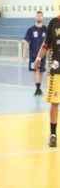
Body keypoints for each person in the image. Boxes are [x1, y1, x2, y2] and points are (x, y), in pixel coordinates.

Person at [33, 14, 60, 148]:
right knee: (55, 102)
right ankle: (53, 134)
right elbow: (46, 44)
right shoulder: (54, 23)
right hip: (57, 69)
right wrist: (38, 58)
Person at [24, 11, 47, 96]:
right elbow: (26, 42)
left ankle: (39, 87)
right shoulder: (30, 30)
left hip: (43, 56)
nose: (39, 17)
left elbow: (49, 42)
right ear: (35, 17)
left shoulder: (46, 29)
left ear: (42, 18)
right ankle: (37, 88)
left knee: (41, 72)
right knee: (36, 70)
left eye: (40, 16)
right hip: (33, 55)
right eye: (37, 16)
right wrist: (24, 55)